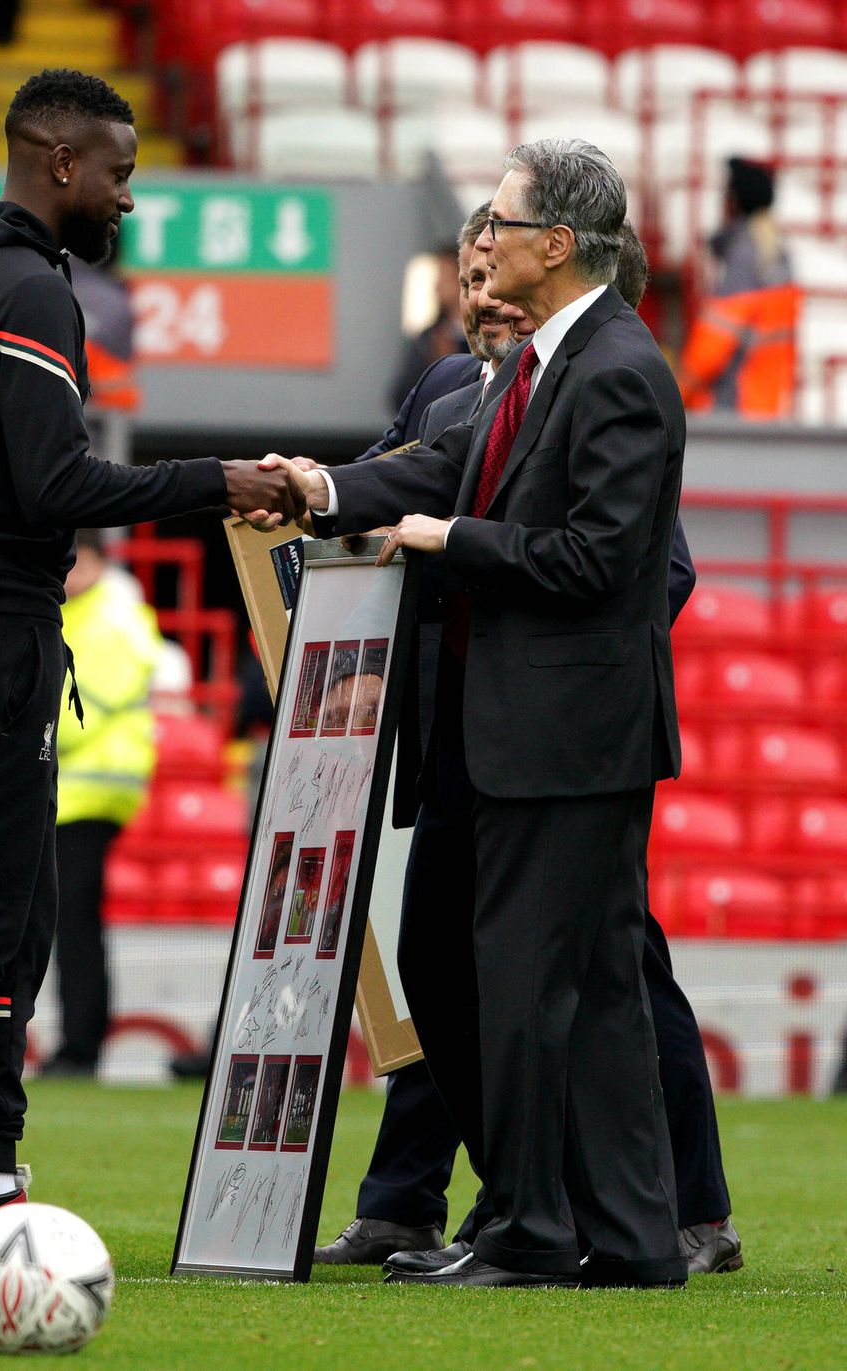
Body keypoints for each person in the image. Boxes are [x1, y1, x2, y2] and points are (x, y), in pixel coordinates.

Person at [0, 68, 301, 1261]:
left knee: (17, 914)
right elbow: (58, 489)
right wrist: (217, 480)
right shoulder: (31, 291)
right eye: (122, 173)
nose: (130, 199)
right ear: (60, 165)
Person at [274, 138, 689, 1288]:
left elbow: (598, 560)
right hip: (540, 733)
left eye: (502, 223)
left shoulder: (615, 369)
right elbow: (439, 467)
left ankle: (537, 1232)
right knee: (592, 993)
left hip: (565, 739)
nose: (485, 241)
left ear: (557, 245)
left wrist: (448, 542)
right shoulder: (544, 363)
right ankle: (635, 1242)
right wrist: (325, 490)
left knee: (530, 984)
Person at [40, 529, 164, 1078]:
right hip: (85, 792)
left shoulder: (110, 619)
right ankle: (79, 1043)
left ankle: (80, 1047)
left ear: (90, 560)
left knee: (73, 921)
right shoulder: (99, 613)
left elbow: (75, 714)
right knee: (72, 920)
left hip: (87, 791)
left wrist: (21, 731)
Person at [677, 156, 798, 418]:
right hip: (768, 411)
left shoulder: (744, 257)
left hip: (730, 410)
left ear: (733, 201)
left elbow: (712, 348)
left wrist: (674, 395)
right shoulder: (779, 257)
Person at [388, 241, 471, 414]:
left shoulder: (489, 336)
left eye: (444, 276)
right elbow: (400, 398)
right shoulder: (427, 338)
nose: (436, 287)